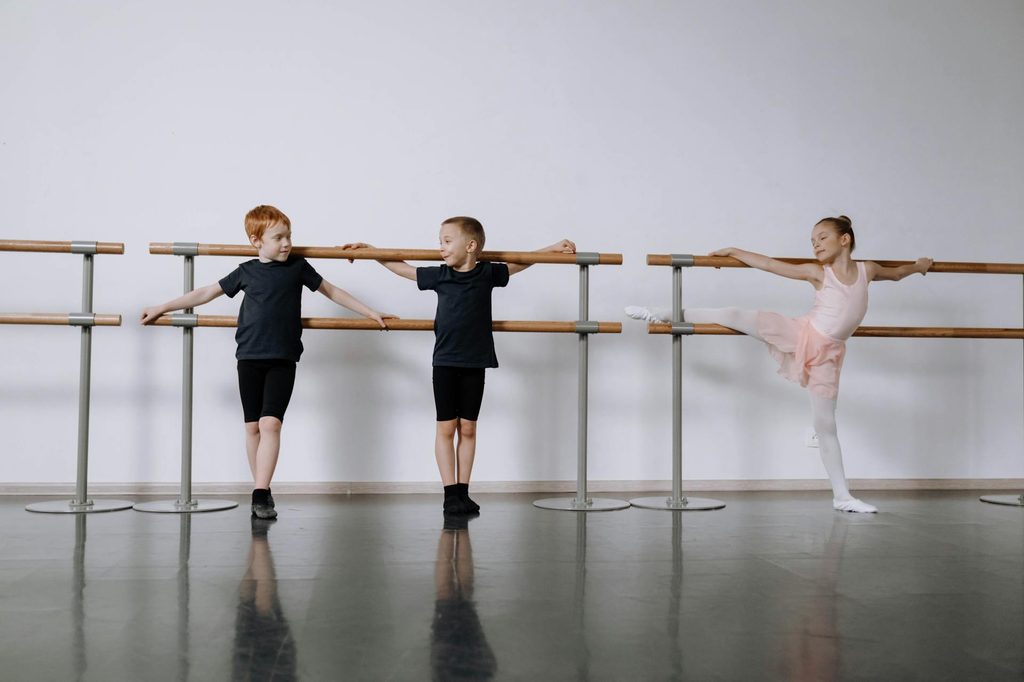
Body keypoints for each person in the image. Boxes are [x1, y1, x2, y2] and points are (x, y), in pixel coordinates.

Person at [626, 215, 932, 513]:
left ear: (845, 239)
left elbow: (896, 273)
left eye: (821, 238)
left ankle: (842, 497)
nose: (815, 245)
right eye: (812, 241)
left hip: (830, 354)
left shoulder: (869, 270)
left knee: (825, 424)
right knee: (735, 315)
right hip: (802, 334)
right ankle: (662, 312)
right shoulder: (818, 273)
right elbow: (772, 265)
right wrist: (735, 251)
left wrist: (919, 267)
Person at [142, 205, 392, 519]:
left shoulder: (298, 267)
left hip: (283, 357)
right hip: (248, 356)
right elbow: (206, 293)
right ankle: (263, 487)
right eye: (279, 237)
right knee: (252, 429)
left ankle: (260, 493)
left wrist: (370, 312)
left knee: (270, 423)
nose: (287, 243)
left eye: (289, 236)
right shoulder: (246, 271)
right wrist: (163, 307)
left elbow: (332, 291)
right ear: (256, 240)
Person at [343, 217, 575, 515]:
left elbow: (522, 263)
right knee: (446, 427)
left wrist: (553, 249)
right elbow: (403, 269)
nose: (440, 247)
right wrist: (373, 251)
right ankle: (449, 492)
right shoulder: (441, 275)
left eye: (446, 241)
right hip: (445, 362)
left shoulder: (488, 274)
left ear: (471, 245)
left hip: (475, 360)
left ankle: (464, 491)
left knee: (468, 428)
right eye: (440, 241)